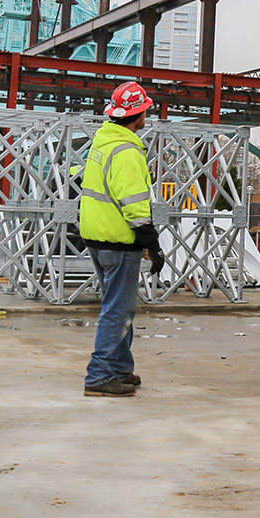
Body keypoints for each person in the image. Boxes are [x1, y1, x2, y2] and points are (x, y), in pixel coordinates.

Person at [79, 81, 163, 398]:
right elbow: (135, 204)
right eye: (145, 110)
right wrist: (151, 243)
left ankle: (120, 368)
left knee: (118, 304)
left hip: (96, 236)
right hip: (118, 239)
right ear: (138, 114)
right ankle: (99, 376)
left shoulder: (103, 142)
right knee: (119, 310)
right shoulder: (127, 151)